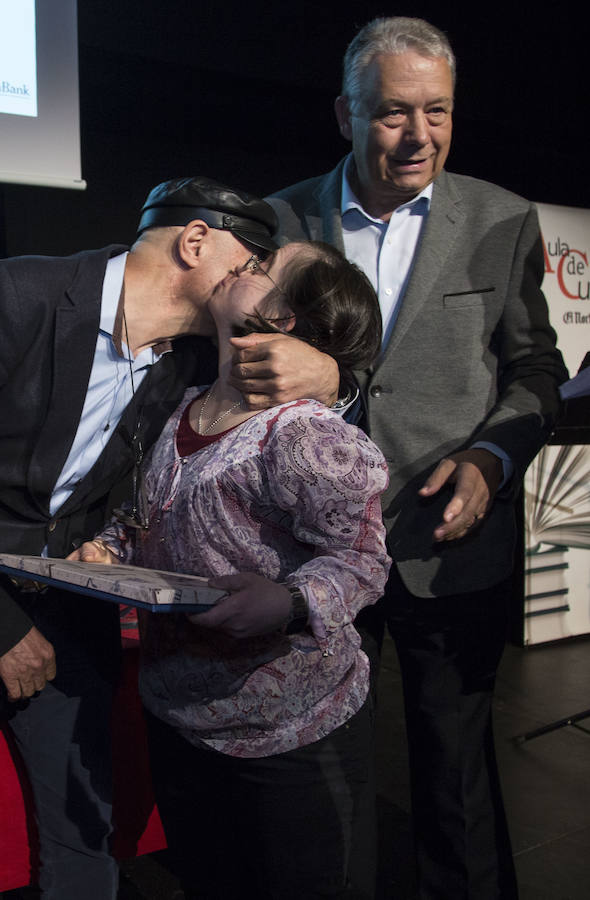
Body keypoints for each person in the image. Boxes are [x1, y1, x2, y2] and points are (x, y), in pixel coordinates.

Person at [0, 176, 342, 900]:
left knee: (87, 853)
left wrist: (334, 380)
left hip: (68, 626)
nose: (250, 290)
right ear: (195, 241)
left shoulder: (192, 357)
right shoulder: (20, 295)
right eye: (246, 267)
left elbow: (300, 401)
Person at [266, 17, 568, 900]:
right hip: (316, 543)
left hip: (449, 540)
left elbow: (536, 371)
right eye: (395, 114)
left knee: (456, 777)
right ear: (346, 114)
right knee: (324, 772)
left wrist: (489, 459)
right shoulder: (282, 217)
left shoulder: (503, 219)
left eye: (437, 111)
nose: (420, 134)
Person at [73, 241, 391, 898]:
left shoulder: (308, 433)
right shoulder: (170, 411)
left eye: (264, 266)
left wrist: (288, 601)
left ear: (286, 321)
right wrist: (105, 553)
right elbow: (143, 517)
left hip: (290, 741)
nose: (244, 261)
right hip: (182, 726)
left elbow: (362, 562)